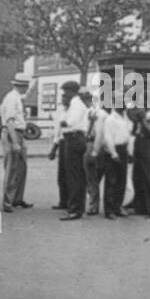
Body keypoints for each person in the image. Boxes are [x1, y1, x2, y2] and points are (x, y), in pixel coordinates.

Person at [57, 80, 88, 220]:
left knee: (73, 175)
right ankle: (76, 207)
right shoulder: (77, 103)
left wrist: (63, 122)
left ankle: (75, 209)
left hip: (74, 138)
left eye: (65, 92)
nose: (64, 95)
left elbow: (70, 122)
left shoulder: (75, 104)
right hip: (75, 138)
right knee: (77, 175)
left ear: (71, 91)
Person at [0, 73, 31, 212]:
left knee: (21, 167)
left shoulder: (17, 98)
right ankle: (8, 201)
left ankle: (17, 198)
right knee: (12, 168)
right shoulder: (12, 98)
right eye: (26, 86)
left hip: (19, 133)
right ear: (22, 86)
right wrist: (15, 142)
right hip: (13, 133)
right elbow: (9, 121)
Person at [99, 104, 132, 219]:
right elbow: (108, 138)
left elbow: (127, 135)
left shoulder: (124, 118)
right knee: (111, 181)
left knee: (121, 181)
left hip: (123, 149)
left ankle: (118, 206)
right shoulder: (110, 119)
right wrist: (113, 153)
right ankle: (109, 210)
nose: (123, 106)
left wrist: (129, 152)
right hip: (114, 150)